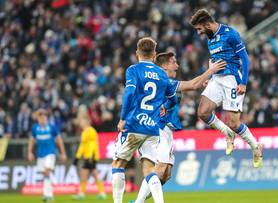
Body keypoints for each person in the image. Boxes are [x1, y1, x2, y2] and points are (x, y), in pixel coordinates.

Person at [133, 51, 226, 203]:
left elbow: (191, 86)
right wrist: (211, 71)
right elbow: (193, 84)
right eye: (173, 62)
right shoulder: (163, 81)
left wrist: (205, 81)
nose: (177, 65)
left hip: (167, 129)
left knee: (166, 174)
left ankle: (139, 200)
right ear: (164, 66)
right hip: (157, 128)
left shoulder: (168, 84)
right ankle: (139, 202)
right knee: (160, 168)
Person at [190, 9, 263, 167]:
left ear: (208, 24)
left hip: (232, 80)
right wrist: (209, 77)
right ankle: (227, 134)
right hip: (216, 79)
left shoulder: (231, 34)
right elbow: (214, 61)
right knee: (202, 112)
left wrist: (243, 82)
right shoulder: (210, 39)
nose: (199, 33)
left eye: (199, 29)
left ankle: (255, 146)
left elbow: (245, 58)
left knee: (234, 123)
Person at [112, 37, 178, 203]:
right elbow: (173, 100)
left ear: (137, 53)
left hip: (133, 125)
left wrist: (123, 119)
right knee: (149, 170)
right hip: (152, 129)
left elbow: (129, 94)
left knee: (118, 165)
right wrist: (165, 106)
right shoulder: (162, 75)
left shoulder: (133, 70)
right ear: (154, 55)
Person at [28, 109, 67, 202]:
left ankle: (49, 195)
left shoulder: (52, 127)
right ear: (38, 119)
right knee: (45, 175)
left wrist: (63, 153)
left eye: (44, 117)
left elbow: (59, 140)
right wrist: (29, 152)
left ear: (47, 118)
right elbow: (32, 140)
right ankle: (47, 194)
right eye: (41, 117)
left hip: (50, 153)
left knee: (46, 171)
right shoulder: (35, 128)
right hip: (40, 154)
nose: (43, 119)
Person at [72, 116, 107, 200]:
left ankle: (82, 193)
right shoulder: (84, 132)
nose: (81, 123)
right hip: (88, 157)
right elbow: (83, 146)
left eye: (82, 121)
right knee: (93, 174)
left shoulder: (91, 131)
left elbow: (92, 145)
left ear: (87, 122)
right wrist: (78, 157)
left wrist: (90, 157)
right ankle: (101, 192)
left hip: (90, 157)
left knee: (85, 173)